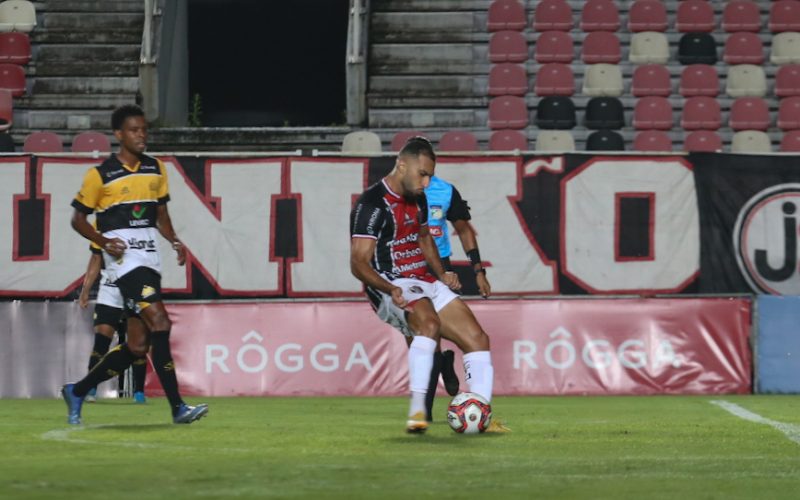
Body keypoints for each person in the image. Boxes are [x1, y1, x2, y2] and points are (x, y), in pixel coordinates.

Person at [61, 104, 208, 425]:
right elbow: (78, 219)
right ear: (118, 135)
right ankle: (178, 408)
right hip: (124, 263)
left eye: (144, 130)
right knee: (161, 322)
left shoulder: (156, 169)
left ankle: (77, 390)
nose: (141, 135)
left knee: (138, 346)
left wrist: (175, 241)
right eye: (134, 130)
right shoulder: (99, 176)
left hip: (150, 259)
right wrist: (102, 242)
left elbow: (161, 216)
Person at [349, 136, 505, 434]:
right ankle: (418, 412)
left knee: (478, 338)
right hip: (392, 282)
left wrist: (442, 274)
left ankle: (480, 413)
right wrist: (388, 288)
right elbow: (358, 263)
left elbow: (424, 238)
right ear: (401, 164)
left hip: (424, 279)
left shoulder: (419, 197)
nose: (426, 181)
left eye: (430, 175)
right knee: (429, 326)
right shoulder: (371, 205)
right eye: (422, 174)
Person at [419, 171, 492, 421]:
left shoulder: (446, 191)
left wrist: (478, 271)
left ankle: (476, 407)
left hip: (441, 267)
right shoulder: (397, 190)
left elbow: (463, 228)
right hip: (409, 267)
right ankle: (425, 412)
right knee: (427, 337)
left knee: (442, 334)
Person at [78, 245, 147, 404]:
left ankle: (139, 392)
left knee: (137, 342)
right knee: (102, 340)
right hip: (109, 291)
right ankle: (91, 388)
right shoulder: (101, 225)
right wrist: (85, 290)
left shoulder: (140, 226)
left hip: (134, 289)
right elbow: (96, 258)